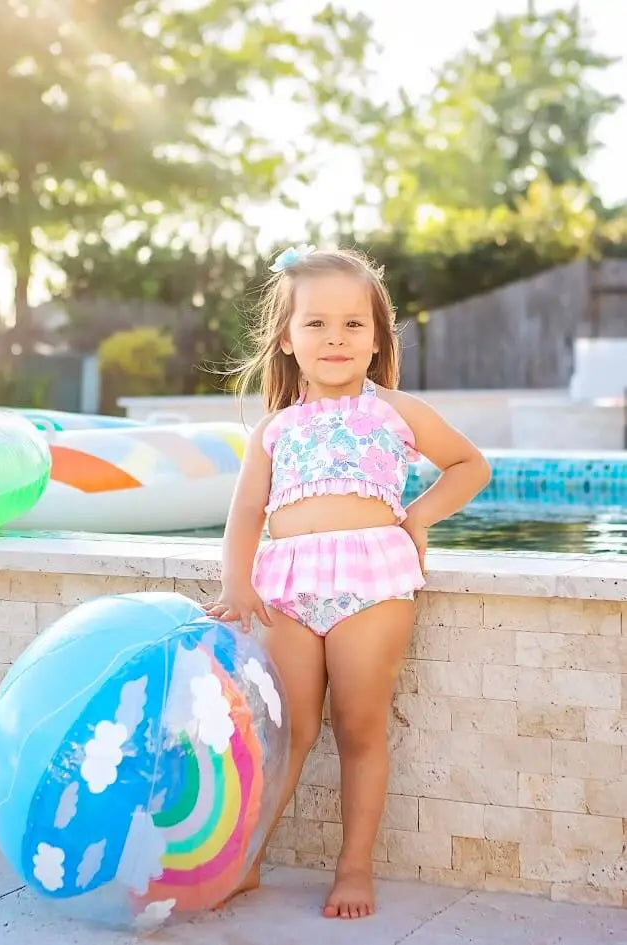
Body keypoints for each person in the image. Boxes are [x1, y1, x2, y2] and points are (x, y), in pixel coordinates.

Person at [204, 246, 491, 920]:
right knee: (291, 729)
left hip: (371, 579)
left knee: (358, 725)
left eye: (352, 325)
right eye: (316, 324)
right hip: (287, 590)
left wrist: (417, 515)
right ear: (286, 338)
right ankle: (246, 860)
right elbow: (246, 512)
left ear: (376, 337)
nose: (335, 338)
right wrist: (236, 583)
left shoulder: (394, 410)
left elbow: (469, 465)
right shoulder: (274, 429)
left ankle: (354, 868)